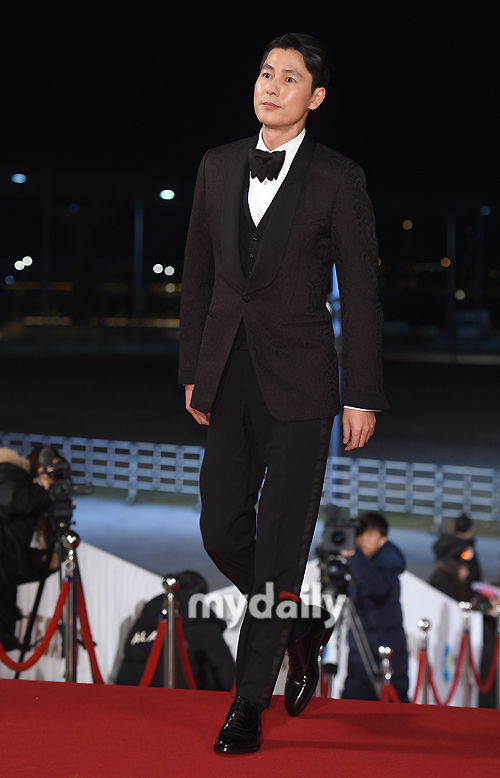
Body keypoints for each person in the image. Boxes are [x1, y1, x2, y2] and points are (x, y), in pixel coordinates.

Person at [179, 33, 389, 753]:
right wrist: (193, 371)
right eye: (266, 73)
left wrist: (361, 392)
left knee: (277, 554)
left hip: (302, 387)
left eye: (289, 78)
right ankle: (297, 624)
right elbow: (199, 278)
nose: (271, 86)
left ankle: (248, 702)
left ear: (315, 98)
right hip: (228, 375)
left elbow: (361, 293)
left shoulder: (338, 178)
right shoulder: (215, 165)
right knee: (219, 529)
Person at [116, 570, 235, 691]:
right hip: (184, 700)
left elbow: (128, 656)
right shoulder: (201, 619)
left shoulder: (148, 613)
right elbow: (226, 673)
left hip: (131, 695)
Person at [341, 512, 408, 702]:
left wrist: (353, 556)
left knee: (390, 714)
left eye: (371, 534)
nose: (363, 539)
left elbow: (376, 589)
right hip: (360, 654)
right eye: (361, 534)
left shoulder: (388, 567)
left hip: (384, 653)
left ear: (383, 539)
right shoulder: (361, 564)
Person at [0, 447, 58, 651]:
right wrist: (41, 491)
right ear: (40, 467)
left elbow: (9, 561)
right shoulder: (9, 471)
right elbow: (10, 502)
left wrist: (42, 563)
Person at [433, 512, 482, 585]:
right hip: (457, 590)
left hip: (437, 585)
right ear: (470, 529)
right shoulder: (467, 550)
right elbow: (476, 577)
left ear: (453, 526)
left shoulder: (442, 544)